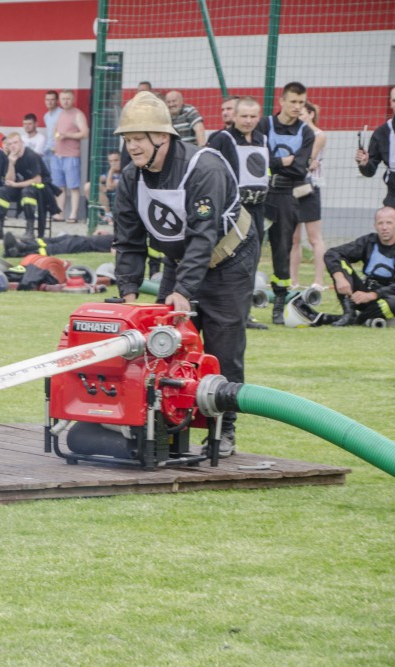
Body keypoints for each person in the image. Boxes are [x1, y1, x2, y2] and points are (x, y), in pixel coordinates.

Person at [112, 91, 256, 457]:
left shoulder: (204, 168)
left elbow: (203, 236)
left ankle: (223, 430)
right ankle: (163, 425)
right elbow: (128, 240)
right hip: (180, 261)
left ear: (162, 137)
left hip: (228, 261)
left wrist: (184, 291)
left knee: (224, 347)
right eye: (127, 140)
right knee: (163, 344)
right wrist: (127, 294)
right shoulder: (130, 179)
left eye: (138, 140)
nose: (132, 148)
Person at [207, 95, 271, 331]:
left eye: (253, 116)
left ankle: (245, 314)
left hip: (258, 206)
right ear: (234, 116)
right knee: (233, 260)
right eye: (243, 116)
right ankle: (231, 312)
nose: (248, 120)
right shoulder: (221, 139)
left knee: (253, 260)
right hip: (234, 209)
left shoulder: (263, 139)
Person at [257, 81, 314, 323]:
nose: (297, 107)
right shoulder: (264, 124)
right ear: (281, 101)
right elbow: (257, 160)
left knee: (282, 250)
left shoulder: (306, 132)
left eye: (301, 103)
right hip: (259, 194)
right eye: (293, 101)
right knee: (250, 248)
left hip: (286, 197)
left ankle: (278, 304)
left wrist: (275, 162)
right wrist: (284, 161)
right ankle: (241, 302)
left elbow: (300, 168)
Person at [319, 206, 395, 327]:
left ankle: (355, 320)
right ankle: (349, 313)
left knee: (393, 304)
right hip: (358, 295)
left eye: (389, 223)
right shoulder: (368, 241)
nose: (384, 228)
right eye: (380, 223)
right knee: (340, 262)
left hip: (382, 298)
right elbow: (332, 253)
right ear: (375, 226)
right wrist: (339, 278)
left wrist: (372, 295)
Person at [291, 101, 327, 289]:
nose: (299, 116)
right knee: (293, 239)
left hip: (310, 188)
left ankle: (318, 281)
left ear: (311, 114)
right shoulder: (295, 134)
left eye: (303, 113)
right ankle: (293, 281)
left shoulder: (318, 135)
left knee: (314, 238)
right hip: (293, 187)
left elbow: (305, 159)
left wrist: (297, 161)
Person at [355, 84, 395, 213]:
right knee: (390, 228)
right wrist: (363, 164)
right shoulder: (382, 133)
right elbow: (370, 171)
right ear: (390, 103)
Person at [0, 132, 50, 238]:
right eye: (10, 144)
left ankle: (29, 230)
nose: (13, 146)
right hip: (21, 186)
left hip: (40, 188)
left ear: (22, 143)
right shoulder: (10, 157)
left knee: (27, 192)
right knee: (2, 191)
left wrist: (16, 185)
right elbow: (9, 180)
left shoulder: (31, 155)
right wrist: (11, 164)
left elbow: (37, 180)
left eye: (15, 143)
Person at [53, 89, 89, 223]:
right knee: (59, 186)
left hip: (71, 155)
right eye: (63, 99)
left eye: (68, 98)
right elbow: (56, 130)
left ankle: (73, 214)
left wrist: (67, 135)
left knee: (73, 186)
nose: (65, 101)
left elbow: (85, 133)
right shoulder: (60, 113)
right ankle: (60, 213)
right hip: (58, 155)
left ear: (73, 99)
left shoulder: (78, 114)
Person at [3, 230, 113, 257]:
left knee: (56, 248)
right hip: (86, 239)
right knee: (53, 240)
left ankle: (21, 252)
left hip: (87, 244)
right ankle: (22, 245)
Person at [84, 151, 121, 221]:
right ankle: (97, 213)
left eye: (116, 160)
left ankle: (108, 215)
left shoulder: (125, 172)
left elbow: (110, 186)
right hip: (107, 198)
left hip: (118, 199)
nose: (113, 163)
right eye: (111, 161)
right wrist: (100, 185)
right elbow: (96, 180)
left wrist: (111, 170)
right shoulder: (108, 174)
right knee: (88, 186)